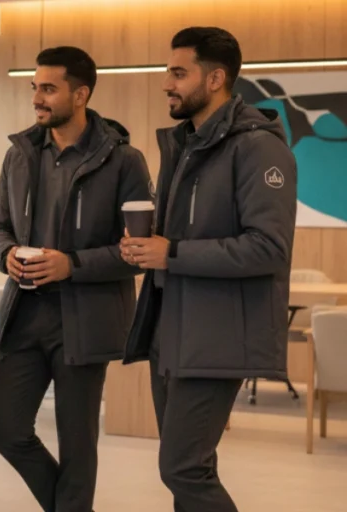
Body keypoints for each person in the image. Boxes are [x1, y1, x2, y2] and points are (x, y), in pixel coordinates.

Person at [121, 27, 297, 512]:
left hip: (216, 336)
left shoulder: (258, 148)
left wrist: (170, 253)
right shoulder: (186, 145)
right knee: (190, 471)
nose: (166, 83)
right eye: (167, 71)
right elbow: (180, 234)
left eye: (179, 73)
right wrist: (144, 246)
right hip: (170, 331)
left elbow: (268, 248)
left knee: (182, 468)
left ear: (216, 78)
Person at [0, 46, 152, 512]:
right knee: (7, 432)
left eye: (48, 88)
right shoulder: (19, 155)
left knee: (78, 444)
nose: (37, 97)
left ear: (80, 94)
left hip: (85, 320)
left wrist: (71, 265)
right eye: (34, 87)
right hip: (23, 315)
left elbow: (138, 252)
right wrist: (8, 254)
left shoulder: (124, 161)